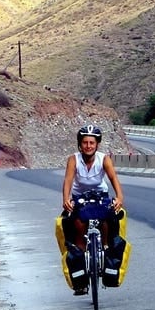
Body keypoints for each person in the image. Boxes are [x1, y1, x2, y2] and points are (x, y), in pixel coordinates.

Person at [56, 124, 129, 294]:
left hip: (99, 194)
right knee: (76, 222)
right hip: (79, 196)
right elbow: (67, 180)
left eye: (92, 143)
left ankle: (104, 247)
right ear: (80, 144)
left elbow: (113, 178)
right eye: (85, 143)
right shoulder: (73, 159)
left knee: (108, 218)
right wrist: (66, 199)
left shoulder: (104, 159)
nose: (88, 146)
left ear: (97, 145)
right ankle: (80, 257)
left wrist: (119, 197)